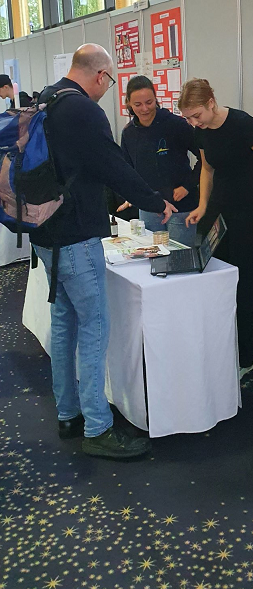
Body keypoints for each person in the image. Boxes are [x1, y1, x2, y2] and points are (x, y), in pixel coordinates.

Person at [30, 44, 177, 460]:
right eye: (109, 82)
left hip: (46, 234)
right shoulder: (83, 111)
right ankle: (98, 428)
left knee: (64, 325)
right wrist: (153, 200)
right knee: (94, 330)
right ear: (100, 76)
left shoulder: (47, 99)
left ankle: (69, 415)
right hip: (76, 235)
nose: (106, 89)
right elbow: (113, 166)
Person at [178, 78, 253, 379]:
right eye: (188, 118)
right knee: (215, 283)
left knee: (244, 288)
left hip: (249, 213)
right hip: (219, 212)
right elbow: (206, 169)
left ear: (211, 102)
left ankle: (245, 359)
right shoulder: (201, 131)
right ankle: (221, 349)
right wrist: (202, 205)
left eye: (196, 115)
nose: (194, 123)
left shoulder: (242, 123)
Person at [118, 75, 200, 246]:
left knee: (180, 255)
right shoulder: (128, 133)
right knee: (153, 255)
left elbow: (205, 159)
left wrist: (187, 186)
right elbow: (127, 170)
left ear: (156, 99)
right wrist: (133, 195)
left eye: (149, 102)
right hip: (150, 207)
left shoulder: (177, 125)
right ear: (129, 104)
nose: (144, 109)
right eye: (137, 104)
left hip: (181, 206)